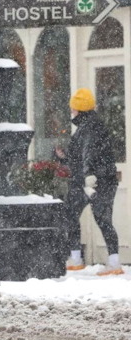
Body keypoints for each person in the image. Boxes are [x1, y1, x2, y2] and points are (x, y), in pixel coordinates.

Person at [55, 88, 123, 275]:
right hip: (94, 180)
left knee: (86, 216)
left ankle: (96, 261)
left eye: (73, 109)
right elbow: (81, 157)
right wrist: (64, 158)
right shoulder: (88, 127)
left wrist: (88, 177)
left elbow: (89, 154)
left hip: (94, 182)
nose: (71, 112)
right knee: (90, 216)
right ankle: (100, 260)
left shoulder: (90, 128)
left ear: (80, 110)